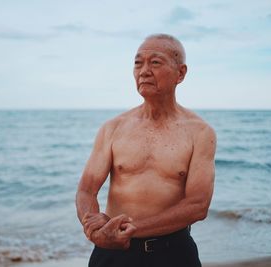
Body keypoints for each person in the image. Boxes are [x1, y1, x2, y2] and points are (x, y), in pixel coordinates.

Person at [76, 33, 216, 267]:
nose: (143, 71)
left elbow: (198, 205)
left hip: (174, 252)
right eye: (138, 63)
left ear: (180, 73)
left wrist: (131, 229)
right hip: (113, 252)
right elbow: (86, 190)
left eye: (155, 62)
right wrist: (93, 226)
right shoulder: (113, 128)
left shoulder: (200, 132)